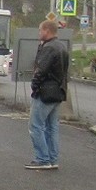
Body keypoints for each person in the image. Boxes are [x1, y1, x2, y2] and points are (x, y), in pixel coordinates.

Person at [27, 18, 71, 170]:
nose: (39, 33)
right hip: (58, 92)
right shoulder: (62, 46)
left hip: (45, 92)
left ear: (47, 30)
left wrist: (34, 86)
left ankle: (42, 159)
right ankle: (52, 159)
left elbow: (41, 70)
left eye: (40, 30)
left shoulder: (49, 48)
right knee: (52, 127)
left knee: (35, 126)